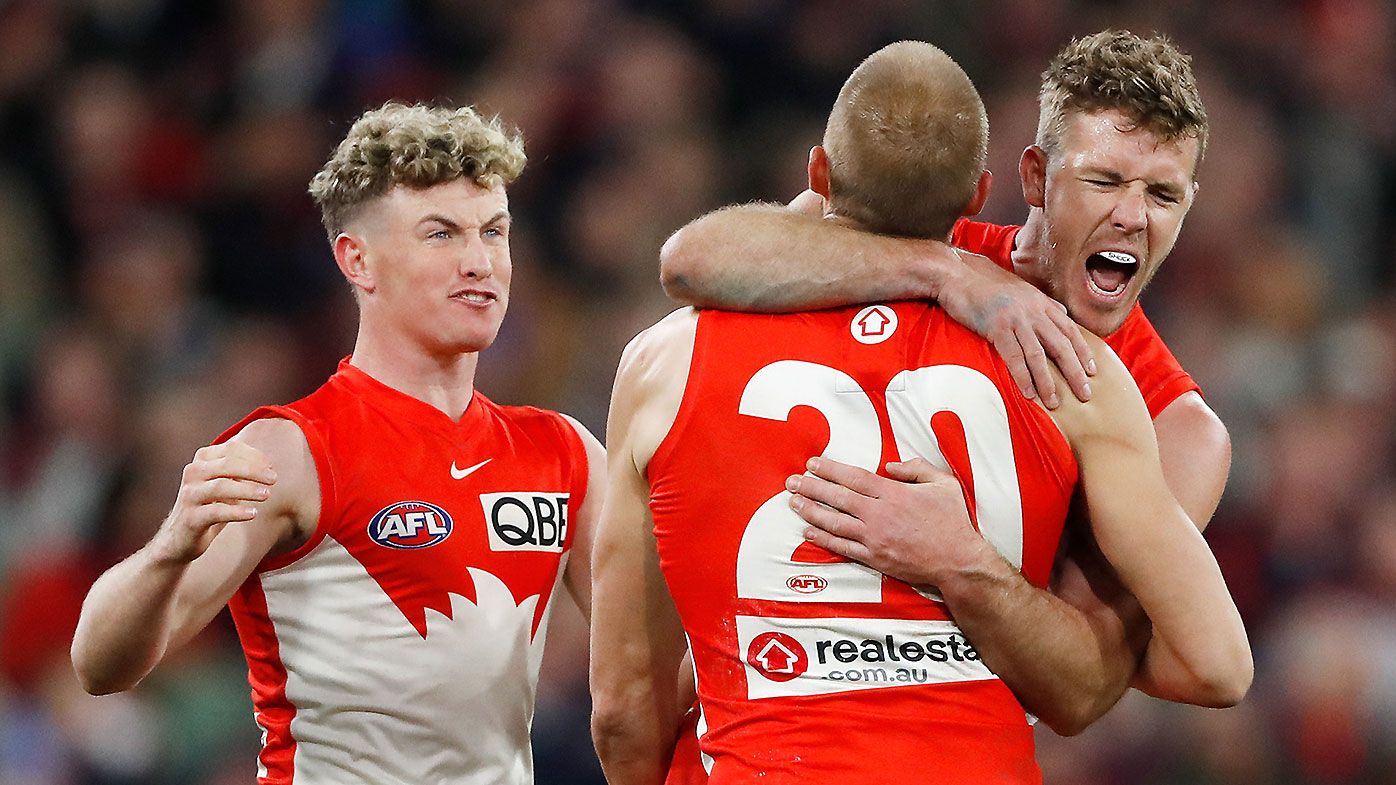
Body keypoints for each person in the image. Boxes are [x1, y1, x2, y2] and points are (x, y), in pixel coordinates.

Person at [589, 41, 1250, 785]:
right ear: (1028, 180)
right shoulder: (920, 236)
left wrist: (957, 562)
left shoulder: (1174, 428)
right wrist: (942, 269)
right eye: (1103, 180)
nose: (1131, 215)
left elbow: (1083, 684)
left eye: (1162, 195)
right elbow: (694, 257)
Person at [70, 103, 604, 785]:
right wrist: (171, 545)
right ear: (358, 260)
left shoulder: (565, 452)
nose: (479, 261)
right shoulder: (291, 451)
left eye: (494, 232)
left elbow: (671, 659)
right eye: (440, 234)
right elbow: (98, 663)